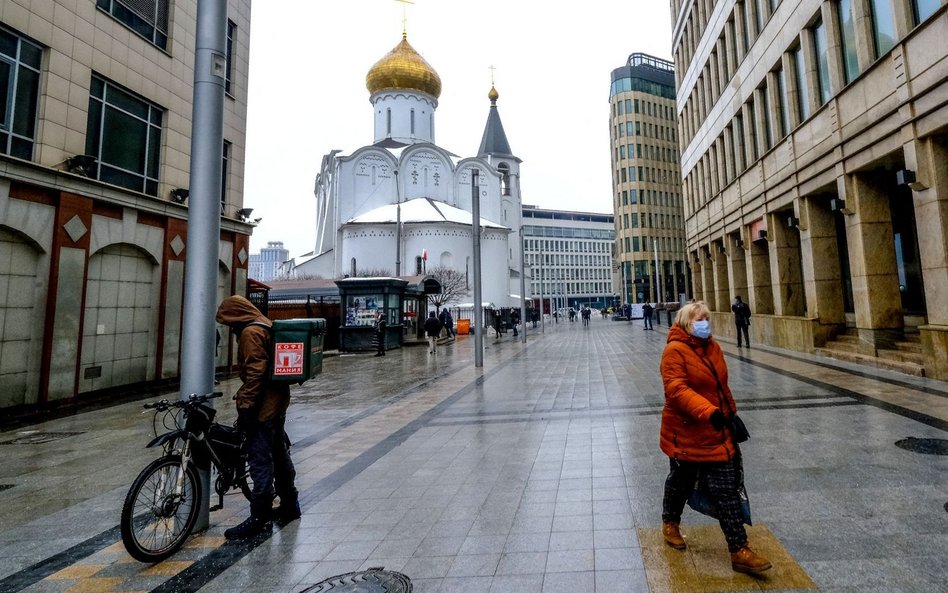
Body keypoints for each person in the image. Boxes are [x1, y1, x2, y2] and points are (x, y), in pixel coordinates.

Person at [658, 301, 771, 574]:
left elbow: (721, 386)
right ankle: (670, 522)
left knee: (726, 490)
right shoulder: (674, 351)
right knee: (680, 482)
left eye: (707, 317)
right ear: (686, 323)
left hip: (717, 430)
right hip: (687, 431)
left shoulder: (713, 348)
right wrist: (708, 412)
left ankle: (739, 549)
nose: (705, 322)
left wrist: (731, 414)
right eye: (700, 318)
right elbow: (676, 389)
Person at [215, 295, 299, 539]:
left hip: (264, 405)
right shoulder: (265, 323)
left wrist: (246, 404)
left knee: (259, 459)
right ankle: (290, 504)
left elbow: (256, 372)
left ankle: (259, 516)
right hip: (278, 401)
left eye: (229, 321)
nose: (229, 328)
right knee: (280, 454)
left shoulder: (250, 332)